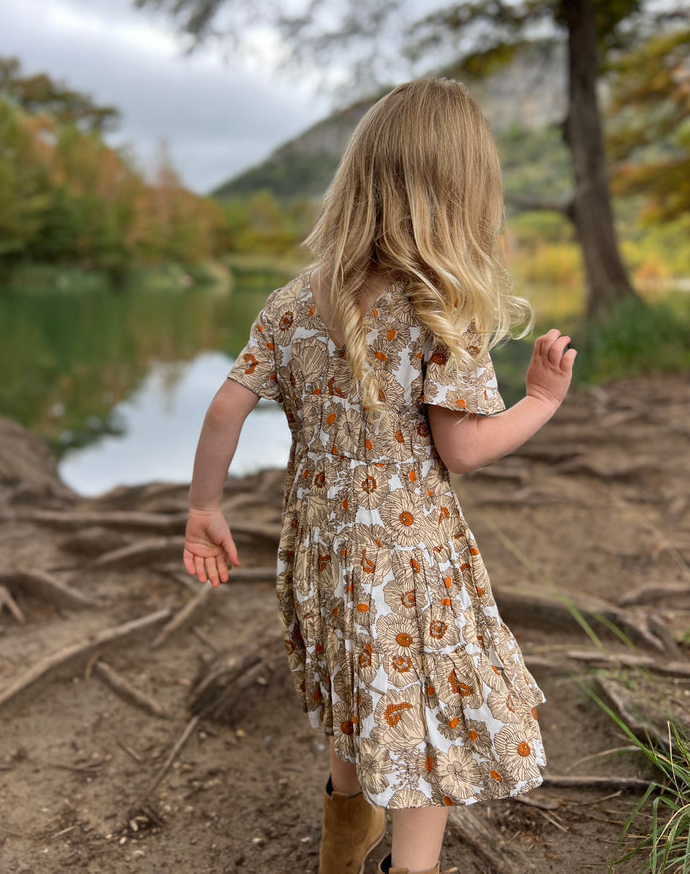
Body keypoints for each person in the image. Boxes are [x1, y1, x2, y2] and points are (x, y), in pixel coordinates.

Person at [184, 78, 576, 874]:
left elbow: (227, 406)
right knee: (421, 724)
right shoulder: (438, 308)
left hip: (322, 550)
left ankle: (342, 851)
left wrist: (205, 509)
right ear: (461, 193)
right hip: (410, 566)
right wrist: (539, 401)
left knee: (356, 697)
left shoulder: (295, 302)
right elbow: (462, 450)